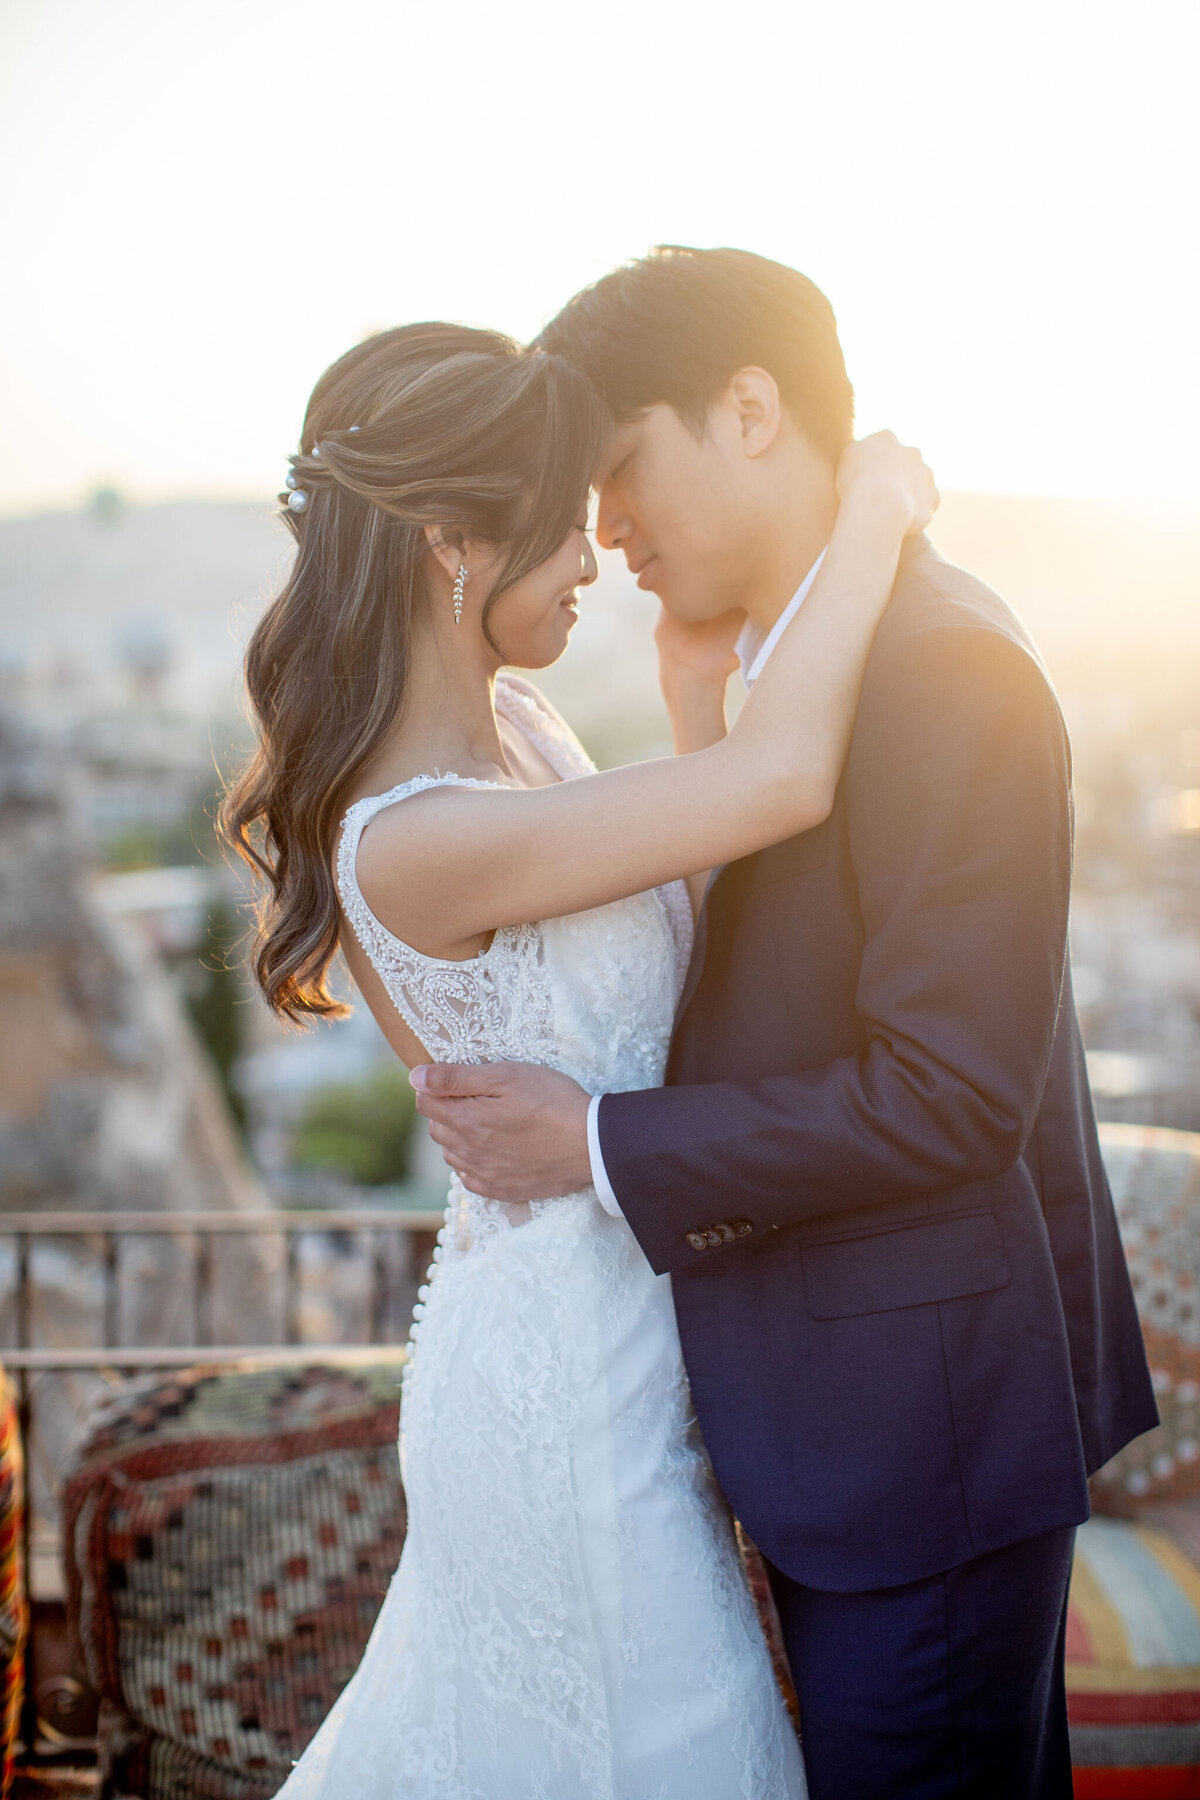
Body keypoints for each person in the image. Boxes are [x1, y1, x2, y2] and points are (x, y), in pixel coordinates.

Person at [410, 248, 1160, 1799]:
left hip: (917, 1450)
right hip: (835, 1437)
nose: (602, 532)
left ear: (750, 409)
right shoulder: (808, 672)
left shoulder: (942, 670)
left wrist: (595, 1142)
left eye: (618, 468)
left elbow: (950, 1091)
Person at [221, 316, 936, 1799]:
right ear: (450, 543)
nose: (596, 556)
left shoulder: (525, 734)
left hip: (635, 1367)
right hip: (560, 1404)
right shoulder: (410, 836)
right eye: (561, 522)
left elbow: (685, 921)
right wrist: (872, 515)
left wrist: (686, 701)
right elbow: (785, 781)